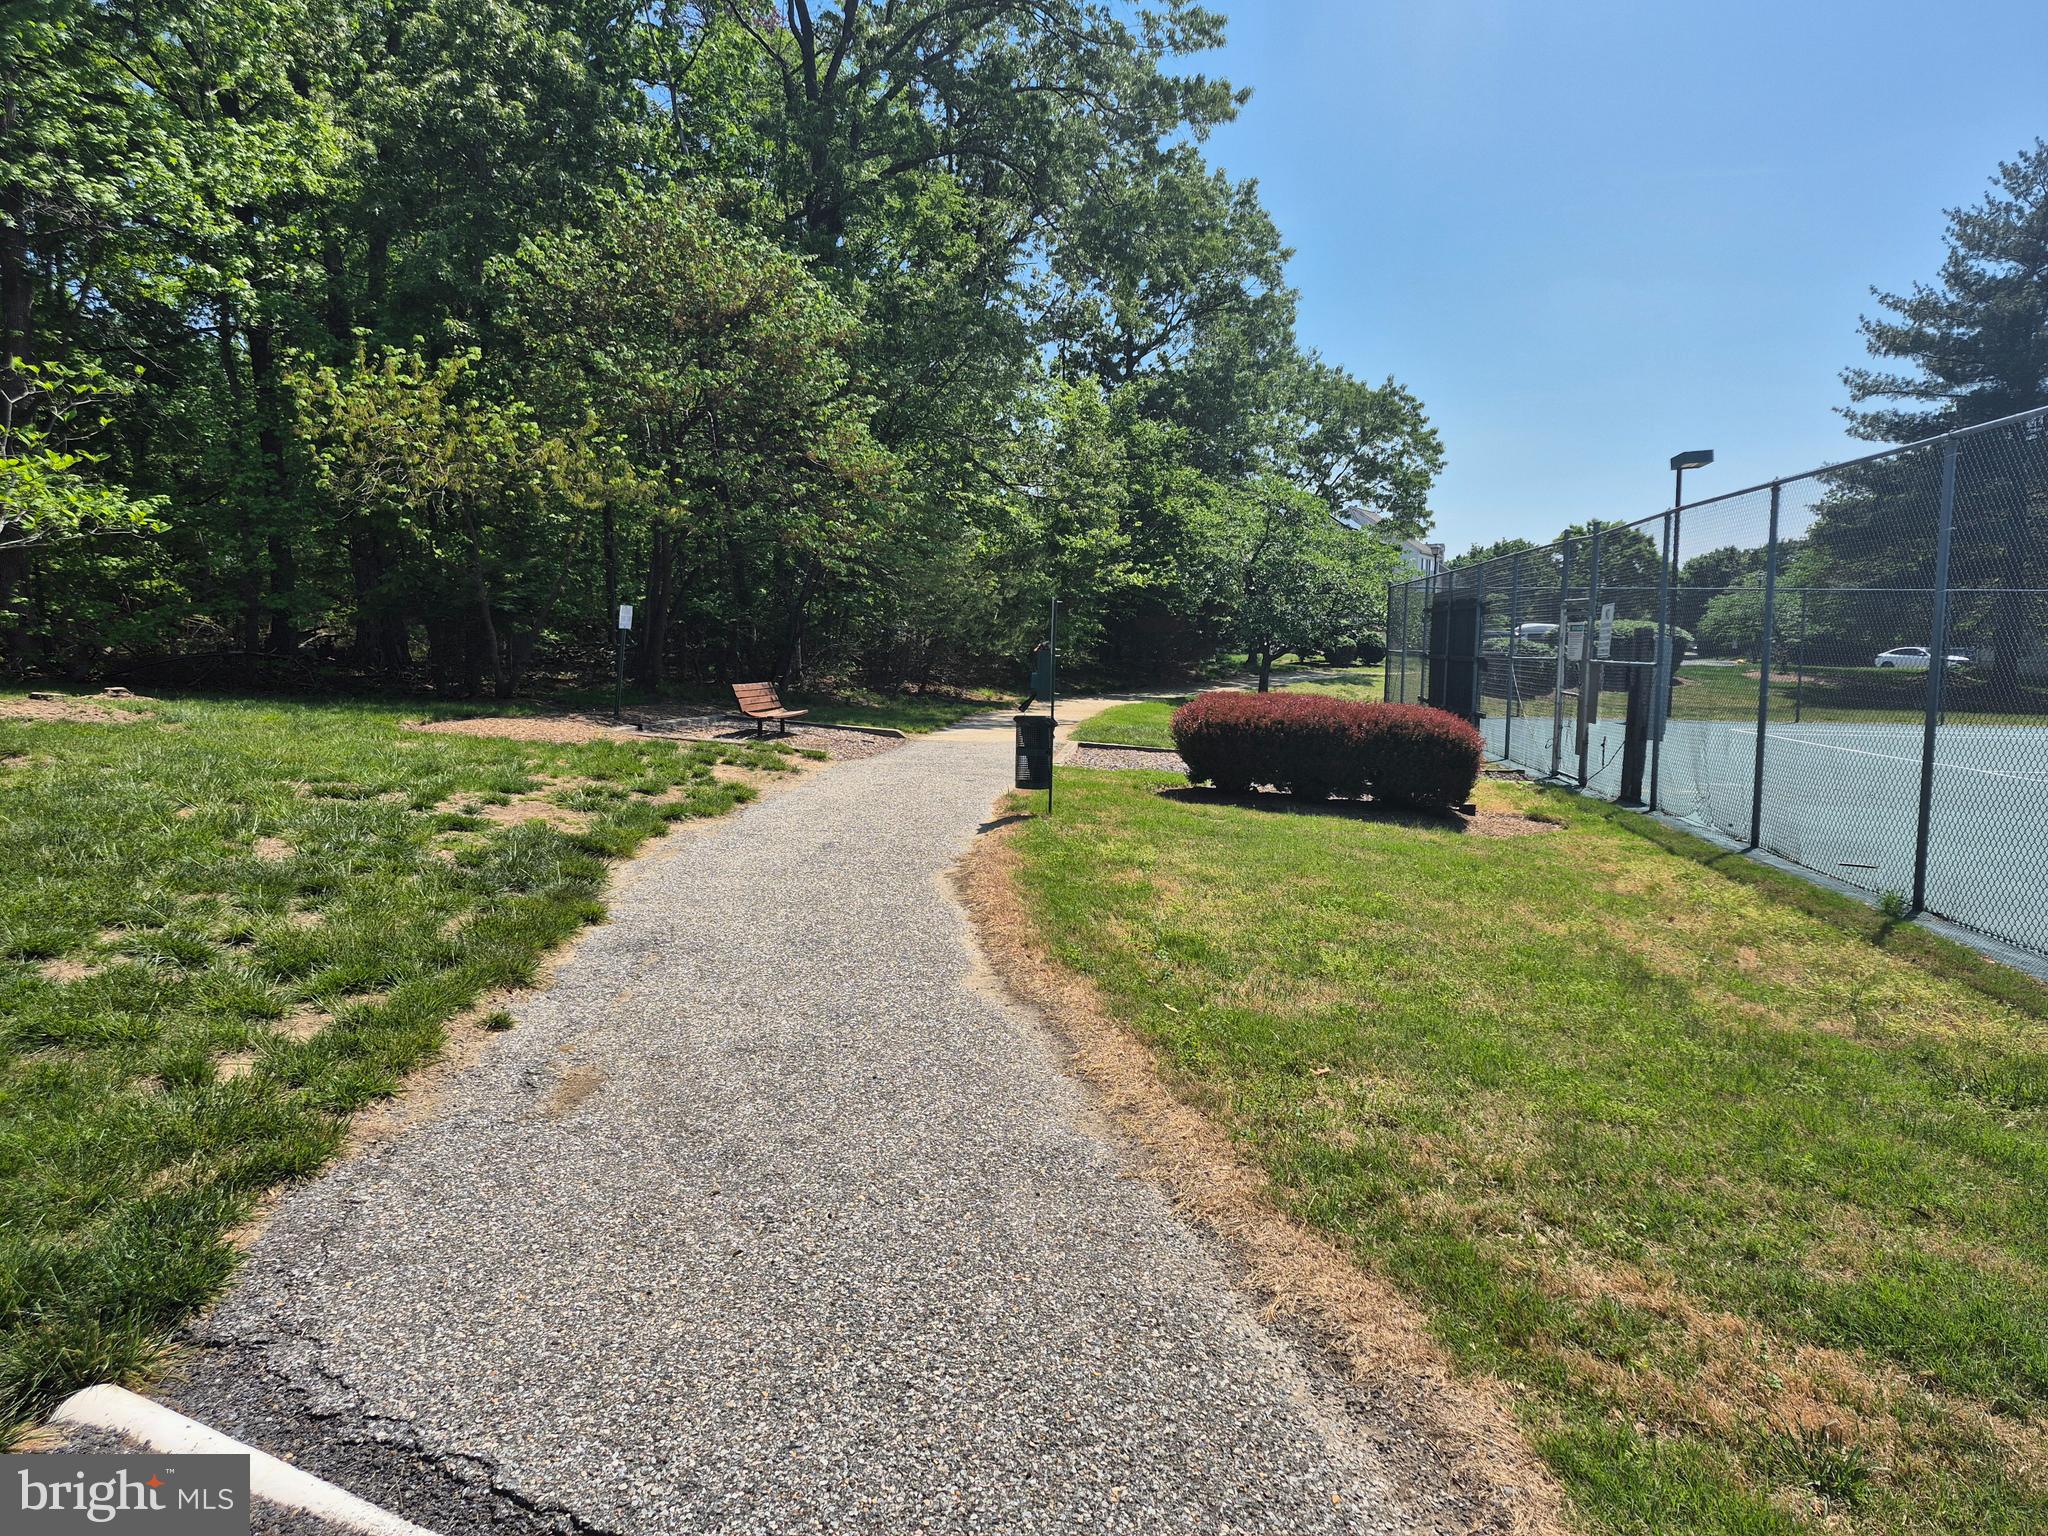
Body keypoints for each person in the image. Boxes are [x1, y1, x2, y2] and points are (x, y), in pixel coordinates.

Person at [1018, 639, 1051, 712]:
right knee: (1034, 694)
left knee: (1034, 694)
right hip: (1037, 676)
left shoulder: (1038, 654)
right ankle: (1023, 707)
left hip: (1036, 675)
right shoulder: (1040, 655)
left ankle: (1023, 707)